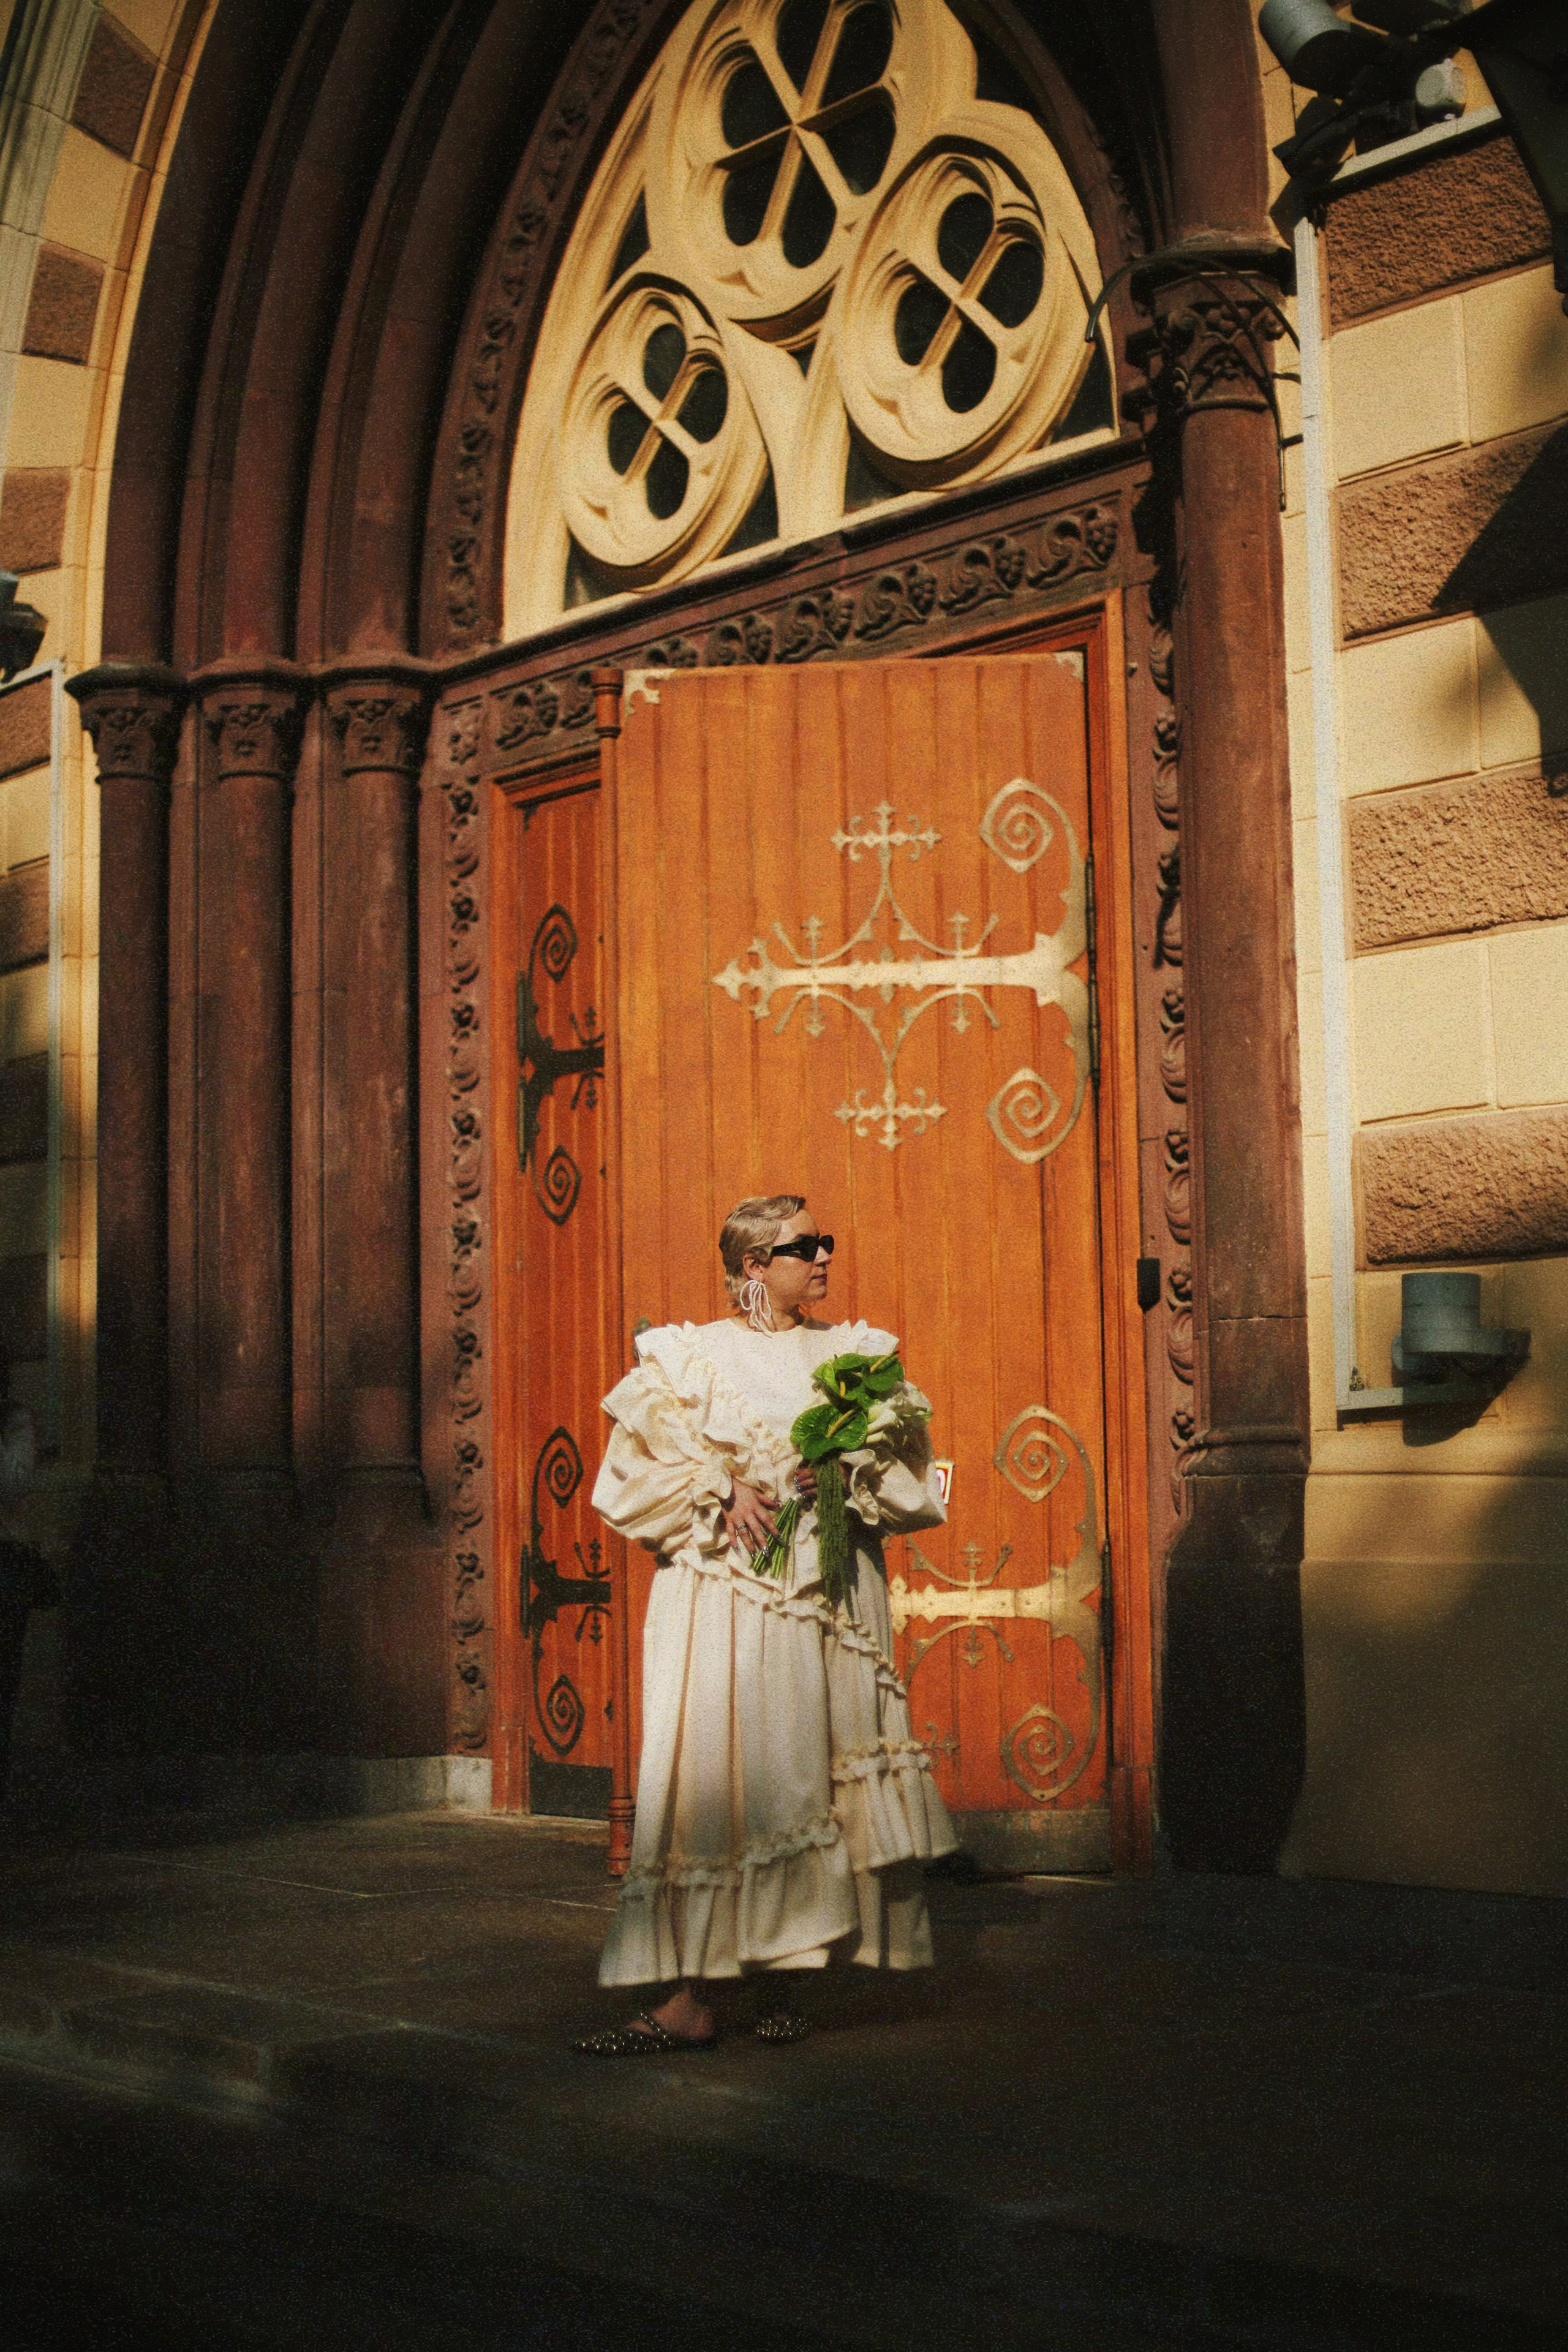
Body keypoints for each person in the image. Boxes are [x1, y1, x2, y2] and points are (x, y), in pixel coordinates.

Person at [577, 1194, 957, 2052]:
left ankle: (793, 1977)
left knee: (805, 1775)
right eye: (804, 1247)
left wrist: (852, 1467)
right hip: (722, 1595)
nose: (824, 1258)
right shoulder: (687, 1359)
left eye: (825, 1243)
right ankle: (692, 1997)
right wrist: (719, 1487)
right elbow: (623, 1484)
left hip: (824, 1595)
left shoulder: (854, 1356)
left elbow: (921, 1486)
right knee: (719, 1784)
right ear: (754, 1265)